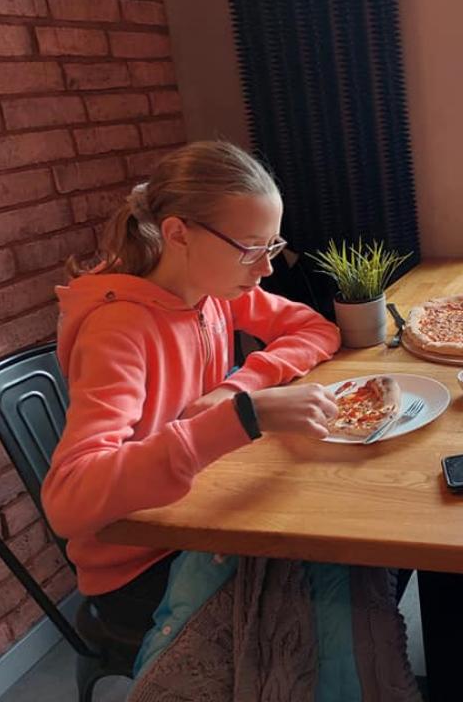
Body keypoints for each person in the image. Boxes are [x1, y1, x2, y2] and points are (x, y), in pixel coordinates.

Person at [41, 142, 346, 675]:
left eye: (272, 245)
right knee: (337, 599)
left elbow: (315, 329)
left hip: (207, 517)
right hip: (141, 564)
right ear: (178, 233)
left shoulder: (214, 290)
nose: (267, 268)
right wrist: (244, 417)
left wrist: (238, 387)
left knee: (348, 569)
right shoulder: (118, 330)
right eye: (250, 248)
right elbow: (68, 500)